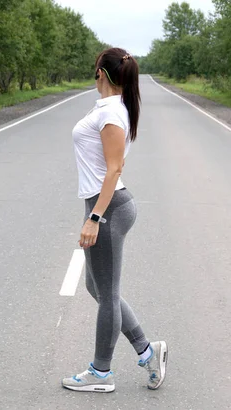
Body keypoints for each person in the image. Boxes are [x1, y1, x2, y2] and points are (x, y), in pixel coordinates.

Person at [62, 48, 168, 393]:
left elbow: (114, 168)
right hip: (105, 205)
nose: (92, 76)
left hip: (108, 208)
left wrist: (94, 217)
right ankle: (147, 350)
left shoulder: (111, 114)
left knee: (107, 294)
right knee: (99, 288)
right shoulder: (108, 108)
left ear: (102, 74)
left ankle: (101, 372)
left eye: (94, 71)